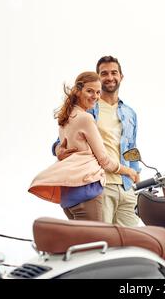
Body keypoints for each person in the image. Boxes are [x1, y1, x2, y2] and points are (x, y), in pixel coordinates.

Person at [29, 71, 139, 221]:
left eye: (98, 92)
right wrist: (129, 171)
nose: (95, 96)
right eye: (90, 91)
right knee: (96, 242)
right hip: (87, 190)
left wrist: (58, 149)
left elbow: (63, 147)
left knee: (81, 242)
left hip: (68, 196)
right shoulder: (86, 118)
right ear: (78, 91)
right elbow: (104, 160)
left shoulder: (66, 117)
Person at [52, 56, 141, 227]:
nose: (109, 77)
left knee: (130, 243)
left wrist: (136, 176)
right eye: (104, 73)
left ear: (121, 76)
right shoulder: (89, 107)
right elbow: (61, 141)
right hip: (100, 186)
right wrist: (58, 150)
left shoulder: (130, 113)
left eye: (114, 72)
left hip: (127, 187)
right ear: (98, 78)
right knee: (103, 244)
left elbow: (132, 148)